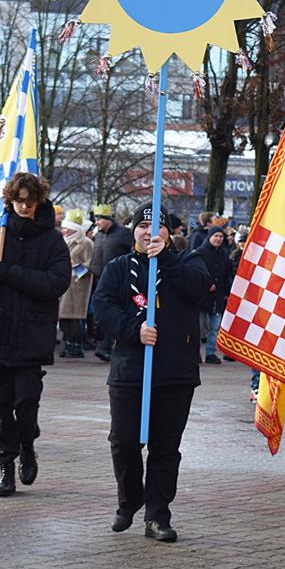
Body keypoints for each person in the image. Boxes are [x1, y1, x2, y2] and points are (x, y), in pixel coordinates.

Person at [93, 202, 209, 542]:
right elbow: (103, 307)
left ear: (168, 232)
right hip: (130, 371)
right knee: (125, 441)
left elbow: (199, 292)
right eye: (142, 227)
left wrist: (168, 260)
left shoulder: (187, 261)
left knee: (165, 447)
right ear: (134, 231)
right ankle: (128, 502)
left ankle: (158, 514)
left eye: (156, 227)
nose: (148, 233)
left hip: (175, 372)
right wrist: (134, 329)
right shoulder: (118, 267)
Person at [0, 173, 70, 497]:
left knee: (26, 401)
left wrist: (11, 273)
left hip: (32, 333)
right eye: (19, 201)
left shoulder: (53, 240)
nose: (24, 207)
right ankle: (6, 462)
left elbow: (56, 283)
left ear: (39, 201)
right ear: (10, 201)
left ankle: (28, 443)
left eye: (30, 201)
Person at [89, 204, 134, 362]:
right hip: (99, 281)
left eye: (100, 219)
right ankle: (102, 345)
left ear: (108, 220)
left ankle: (108, 347)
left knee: (113, 313)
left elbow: (133, 253)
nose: (97, 222)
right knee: (99, 314)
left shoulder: (124, 234)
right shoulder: (99, 236)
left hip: (119, 281)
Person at [192, 226, 231, 365]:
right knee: (200, 328)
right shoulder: (200, 253)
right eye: (216, 236)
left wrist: (227, 292)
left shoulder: (224, 254)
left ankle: (210, 353)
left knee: (215, 328)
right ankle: (195, 353)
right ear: (209, 237)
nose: (218, 239)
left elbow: (227, 275)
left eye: (221, 237)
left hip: (219, 297)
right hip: (203, 296)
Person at [58, 209, 93, 359]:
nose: (64, 230)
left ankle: (76, 345)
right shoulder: (63, 242)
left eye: (67, 228)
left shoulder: (86, 243)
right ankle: (68, 343)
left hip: (78, 284)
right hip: (65, 283)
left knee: (75, 316)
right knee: (64, 316)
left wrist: (75, 266)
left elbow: (90, 265)